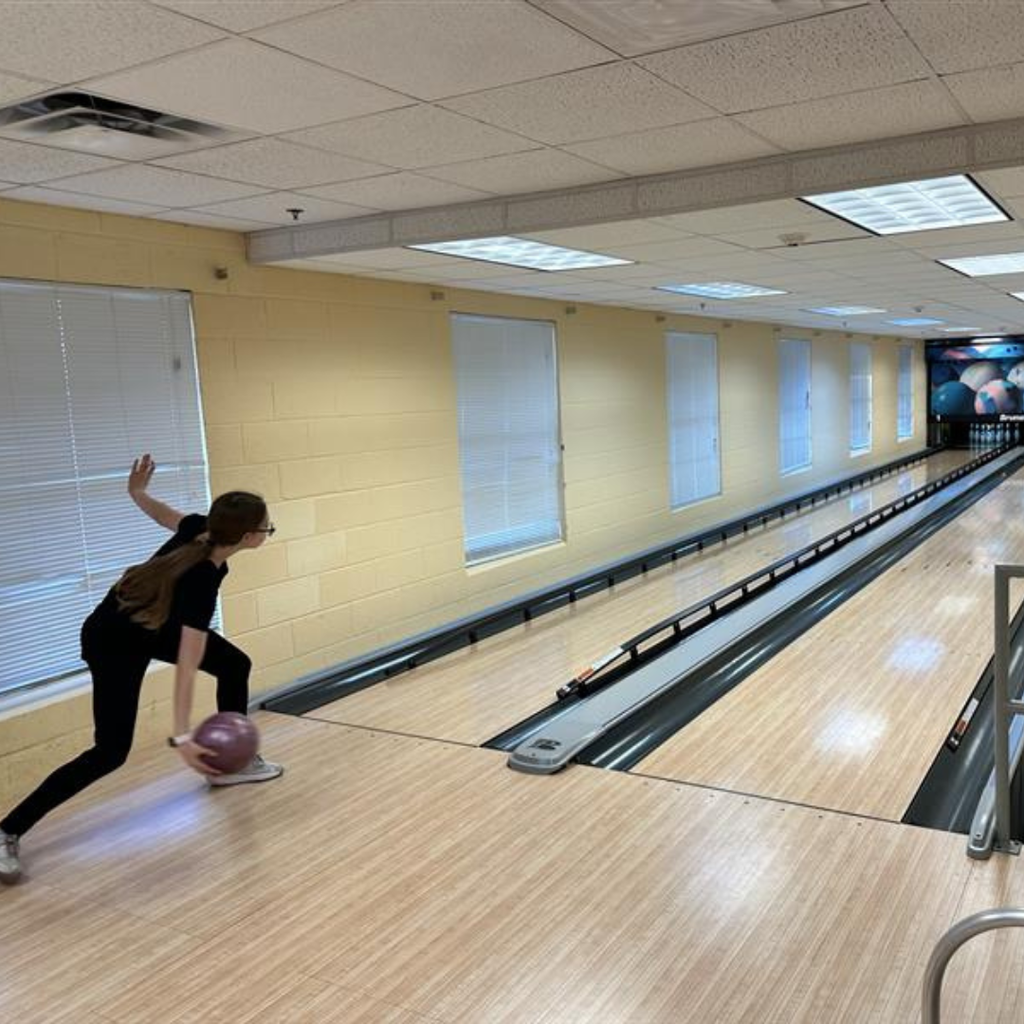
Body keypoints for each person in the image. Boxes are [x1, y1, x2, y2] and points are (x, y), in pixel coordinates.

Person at [0, 455, 283, 884]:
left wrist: (137, 492)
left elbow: (162, 514)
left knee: (234, 664)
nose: (268, 531)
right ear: (248, 537)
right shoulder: (202, 582)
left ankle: (233, 763)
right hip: (114, 640)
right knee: (110, 752)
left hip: (153, 626)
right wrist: (184, 736)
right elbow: (187, 667)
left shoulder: (199, 527)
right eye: (267, 528)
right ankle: (8, 830)